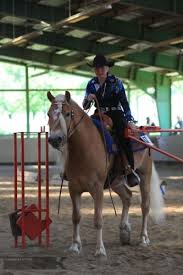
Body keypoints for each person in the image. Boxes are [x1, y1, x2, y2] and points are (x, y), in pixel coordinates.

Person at [82, 54, 140, 187]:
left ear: (107, 68)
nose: (99, 70)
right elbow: (85, 106)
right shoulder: (91, 84)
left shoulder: (116, 82)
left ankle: (129, 169)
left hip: (116, 113)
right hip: (99, 114)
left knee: (122, 135)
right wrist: (88, 99)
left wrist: (129, 120)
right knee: (85, 131)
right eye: (97, 68)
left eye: (102, 67)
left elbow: (124, 103)